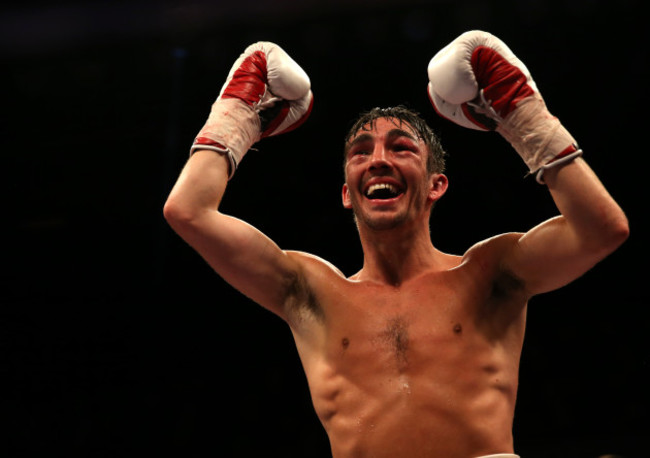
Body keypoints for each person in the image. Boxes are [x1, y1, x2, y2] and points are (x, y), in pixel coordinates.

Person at [163, 32, 629, 458]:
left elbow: (601, 228)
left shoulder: (491, 271)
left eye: (401, 148)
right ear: (347, 192)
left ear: (435, 185)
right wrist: (235, 118)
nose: (379, 160)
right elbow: (188, 212)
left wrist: (521, 115)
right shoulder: (308, 290)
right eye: (361, 152)